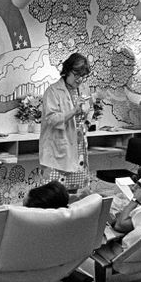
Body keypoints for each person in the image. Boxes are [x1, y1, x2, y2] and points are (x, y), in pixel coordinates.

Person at [40, 53, 93, 191]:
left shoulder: (84, 89)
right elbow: (51, 119)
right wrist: (73, 111)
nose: (80, 79)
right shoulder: (53, 91)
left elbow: (91, 109)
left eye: (83, 76)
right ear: (67, 71)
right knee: (54, 194)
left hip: (79, 146)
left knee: (74, 192)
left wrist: (86, 124)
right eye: (77, 75)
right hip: (59, 147)